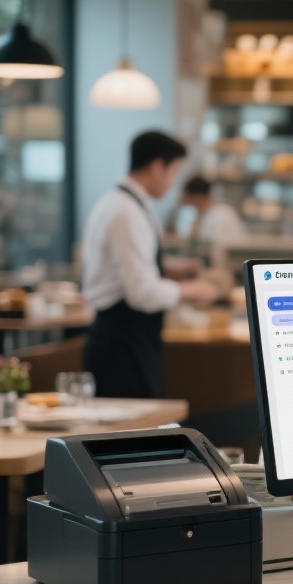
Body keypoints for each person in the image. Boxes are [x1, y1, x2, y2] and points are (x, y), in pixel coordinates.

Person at [81, 131, 221, 398]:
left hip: (123, 339)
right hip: (122, 346)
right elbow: (142, 293)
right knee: (132, 438)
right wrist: (195, 290)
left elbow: (125, 268)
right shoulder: (126, 211)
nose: (173, 181)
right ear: (157, 166)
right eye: (174, 172)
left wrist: (171, 268)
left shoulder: (120, 202)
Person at [176, 175, 246, 244]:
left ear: (198, 197)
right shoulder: (205, 215)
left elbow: (219, 248)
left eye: (187, 196)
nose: (183, 199)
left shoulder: (220, 215)